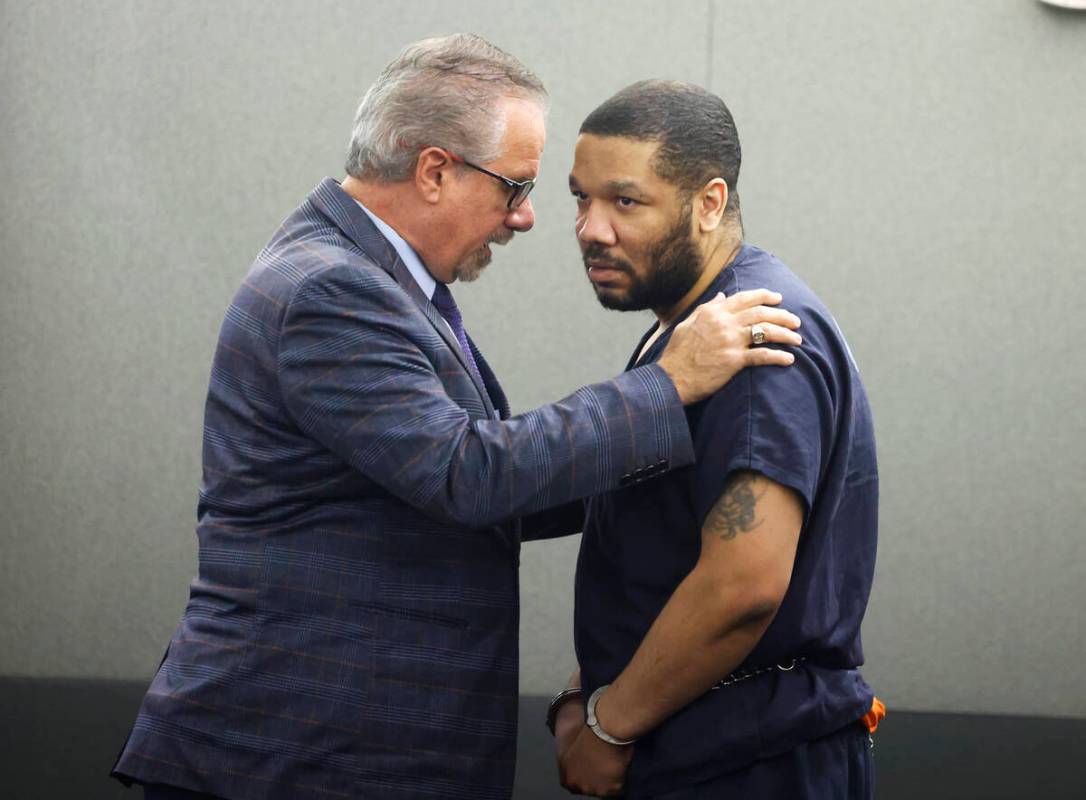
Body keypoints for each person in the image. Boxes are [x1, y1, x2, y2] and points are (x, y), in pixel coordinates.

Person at [110, 37, 802, 800]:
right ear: (435, 169)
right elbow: (467, 474)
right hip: (297, 760)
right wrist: (668, 387)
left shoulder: (367, 280)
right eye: (517, 187)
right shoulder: (330, 291)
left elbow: (489, 486)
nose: (529, 219)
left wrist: (686, 435)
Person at [551, 80, 882, 798]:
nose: (590, 228)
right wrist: (588, 692)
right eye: (580, 198)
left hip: (749, 761)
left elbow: (743, 584)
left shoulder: (755, 339)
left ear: (708, 202)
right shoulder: (690, 333)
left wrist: (609, 728)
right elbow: (660, 546)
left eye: (624, 201)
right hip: (700, 747)